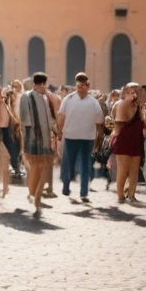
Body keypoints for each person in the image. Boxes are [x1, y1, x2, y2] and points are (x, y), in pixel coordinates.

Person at [55, 73, 105, 204]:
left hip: (87, 138)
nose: (81, 88)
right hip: (71, 136)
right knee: (68, 163)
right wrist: (59, 132)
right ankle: (66, 186)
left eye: (84, 85)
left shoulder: (93, 102)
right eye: (78, 85)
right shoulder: (68, 99)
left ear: (88, 86)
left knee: (85, 165)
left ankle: (84, 192)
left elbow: (100, 120)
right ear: (76, 85)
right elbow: (60, 116)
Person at [20, 73, 58, 218]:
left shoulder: (45, 98)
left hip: (45, 138)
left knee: (42, 168)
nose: (47, 87)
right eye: (46, 84)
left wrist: (54, 132)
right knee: (36, 167)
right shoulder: (27, 96)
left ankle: (36, 196)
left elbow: (48, 118)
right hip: (33, 139)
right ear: (40, 84)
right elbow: (24, 120)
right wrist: (27, 141)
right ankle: (34, 196)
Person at [111, 83, 146, 205]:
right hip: (124, 141)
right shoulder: (122, 104)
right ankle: (120, 196)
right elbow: (116, 121)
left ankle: (131, 195)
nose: (136, 93)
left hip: (136, 141)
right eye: (133, 91)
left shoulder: (139, 106)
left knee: (134, 170)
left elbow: (145, 123)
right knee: (123, 170)